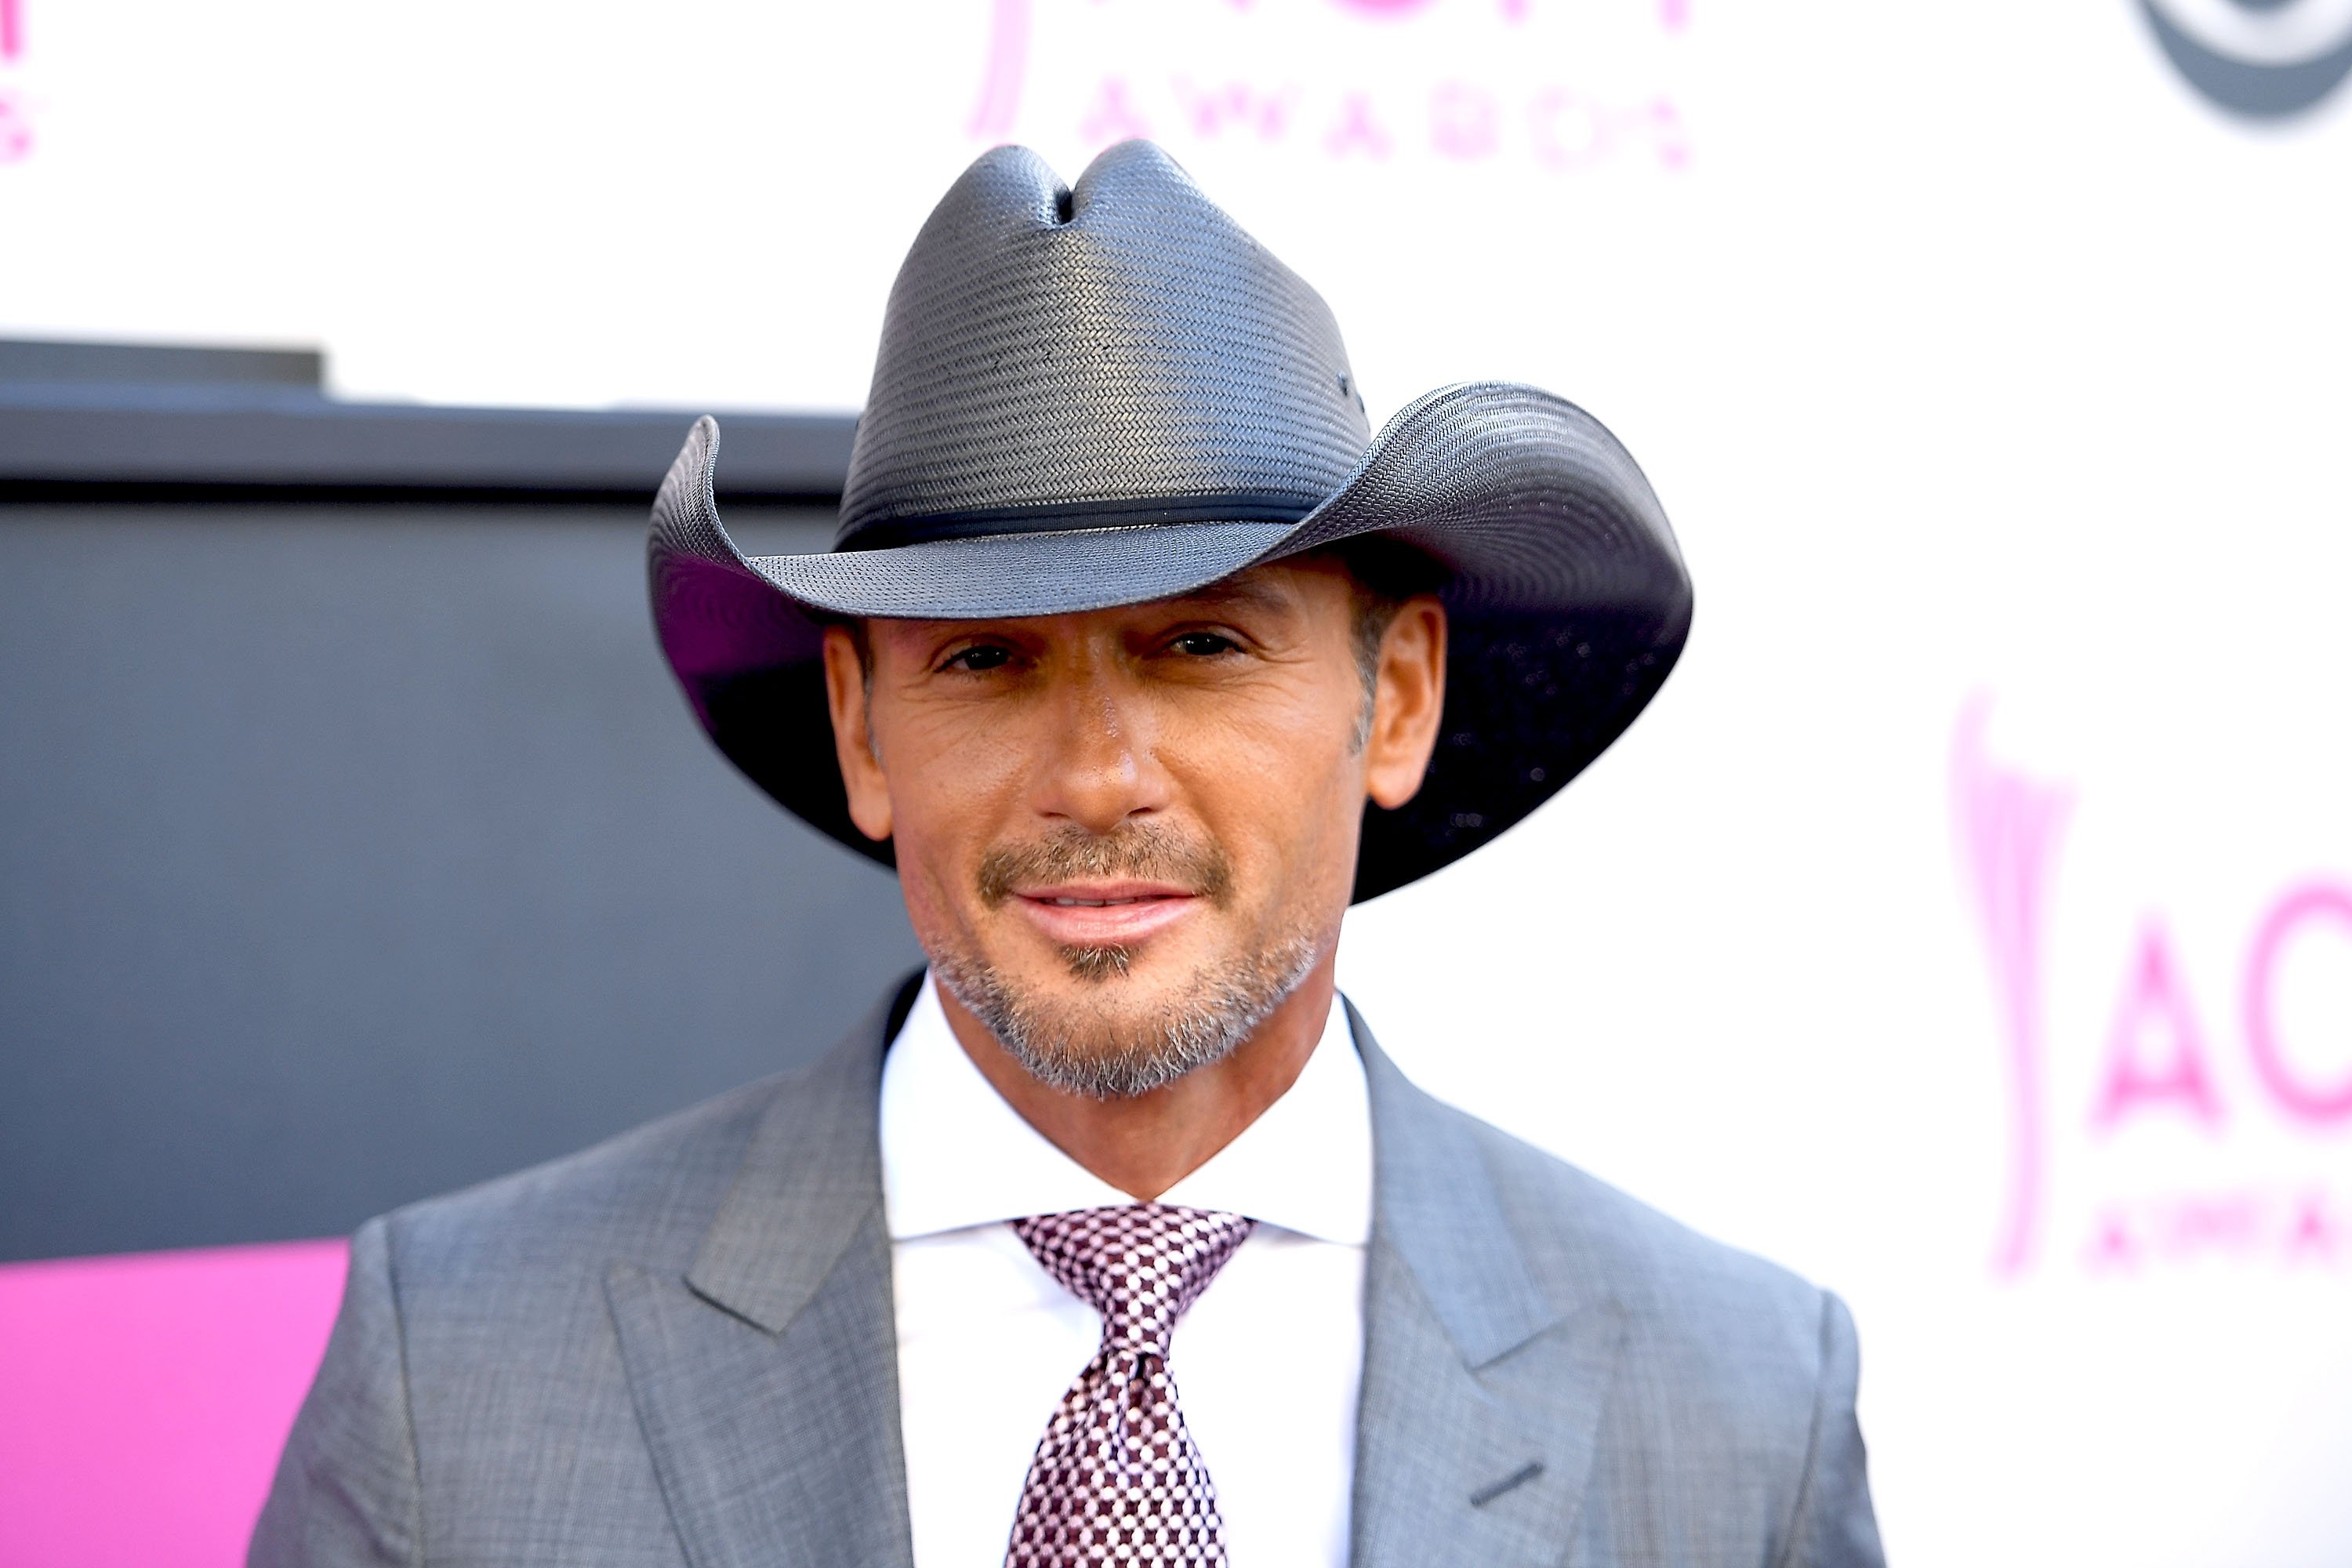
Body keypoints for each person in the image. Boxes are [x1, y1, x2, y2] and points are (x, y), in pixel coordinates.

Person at [253, 140, 1883, 1568]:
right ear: (861, 726)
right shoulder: (461, 1369)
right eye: (984, 657)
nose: (1097, 777)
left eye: (1201, 649)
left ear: (1394, 701)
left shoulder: (1734, 1406)